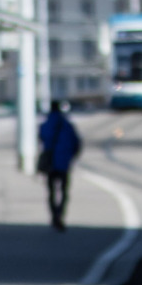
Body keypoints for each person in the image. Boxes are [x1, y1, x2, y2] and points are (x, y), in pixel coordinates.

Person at [37, 99, 82, 231]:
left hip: (50, 164)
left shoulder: (45, 125)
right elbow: (76, 144)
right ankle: (60, 214)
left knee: (51, 191)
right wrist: (70, 157)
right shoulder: (67, 125)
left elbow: (42, 138)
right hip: (64, 164)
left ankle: (53, 215)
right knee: (63, 191)